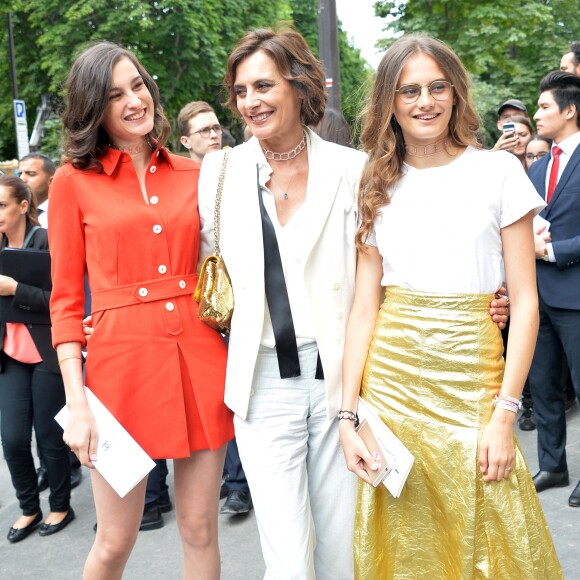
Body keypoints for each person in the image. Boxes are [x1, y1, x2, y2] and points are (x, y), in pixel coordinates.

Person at [198, 26, 510, 579]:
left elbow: (398, 261)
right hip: (259, 381)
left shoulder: (353, 167)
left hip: (346, 380)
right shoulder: (217, 172)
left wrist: (489, 294)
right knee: (289, 561)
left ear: (298, 86)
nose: (251, 102)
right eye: (241, 91)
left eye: (264, 85)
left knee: (344, 552)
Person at [340, 35, 562, 578]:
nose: (425, 102)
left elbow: (526, 300)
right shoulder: (374, 180)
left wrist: (505, 413)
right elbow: (365, 307)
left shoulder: (498, 172)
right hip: (391, 384)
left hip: (474, 384)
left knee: (496, 525)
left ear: (457, 93)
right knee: (407, 538)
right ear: (389, 102)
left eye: (438, 87)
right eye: (409, 90)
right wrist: (347, 414)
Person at [48, 41, 233, 578]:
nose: (135, 101)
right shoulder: (71, 181)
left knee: (200, 530)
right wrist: (76, 402)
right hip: (117, 371)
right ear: (92, 108)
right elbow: (64, 301)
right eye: (115, 95)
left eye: (138, 85)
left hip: (199, 359)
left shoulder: (195, 174)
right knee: (115, 540)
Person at [177, 99, 253, 517]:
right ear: (185, 140)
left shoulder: (235, 169)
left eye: (215, 128)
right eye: (203, 130)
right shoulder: (178, 181)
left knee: (236, 392)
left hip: (233, 297)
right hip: (192, 302)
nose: (214, 134)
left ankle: (238, 486)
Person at [0, 175, 74, 543]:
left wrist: (16, 290)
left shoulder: (46, 241)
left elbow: (63, 300)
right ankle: (29, 508)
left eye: (1, 205)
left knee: (49, 437)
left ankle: (61, 504)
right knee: (12, 439)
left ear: (24, 206)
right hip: (9, 356)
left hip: (47, 353)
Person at [526, 70, 580, 508]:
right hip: (536, 295)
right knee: (542, 384)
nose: (537, 114)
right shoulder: (538, 166)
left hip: (575, 291)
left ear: (570, 110)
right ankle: (552, 464)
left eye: (544, 106)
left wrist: (553, 251)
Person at [17, 152, 84, 492]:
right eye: (21, 173)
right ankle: (50, 472)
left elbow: (64, 288)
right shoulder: (12, 232)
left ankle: (64, 473)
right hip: (16, 344)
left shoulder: (50, 224)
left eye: (31, 172)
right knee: (25, 429)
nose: (24, 178)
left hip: (52, 335)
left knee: (52, 418)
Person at [17, 153, 55, 229]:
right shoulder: (15, 211)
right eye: (20, 174)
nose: (22, 179)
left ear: (51, 181)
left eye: (31, 174)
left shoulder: (64, 212)